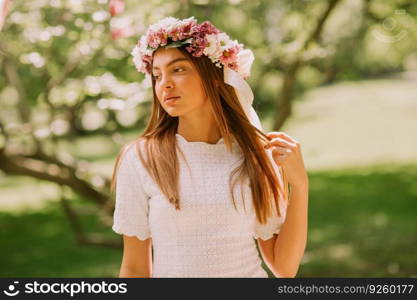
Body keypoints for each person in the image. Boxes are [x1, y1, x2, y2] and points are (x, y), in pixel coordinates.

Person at [111, 16, 309, 278]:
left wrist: (301, 186)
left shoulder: (254, 154)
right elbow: (135, 269)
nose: (165, 84)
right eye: (157, 75)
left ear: (215, 76)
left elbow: (284, 268)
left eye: (178, 69)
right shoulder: (140, 158)